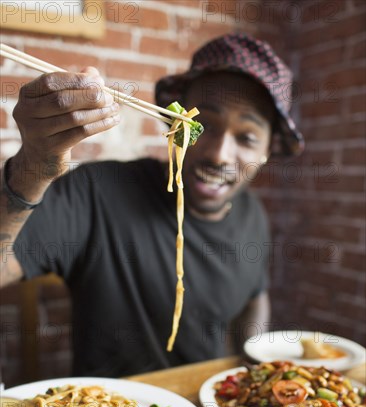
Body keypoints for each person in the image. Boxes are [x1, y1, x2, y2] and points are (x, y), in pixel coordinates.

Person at [0, 33, 304, 377]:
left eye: (246, 137)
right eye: (201, 126)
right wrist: (32, 167)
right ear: (175, 125)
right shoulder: (97, 191)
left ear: (266, 151)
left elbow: (255, 295)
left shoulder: (252, 214)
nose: (219, 155)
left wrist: (253, 369)